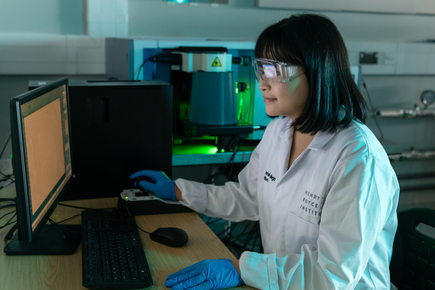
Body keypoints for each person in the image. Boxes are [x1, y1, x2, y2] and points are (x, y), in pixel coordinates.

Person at [130, 13, 400, 290]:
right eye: (261, 68)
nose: (262, 82)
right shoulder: (279, 131)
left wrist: (241, 268)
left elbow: (333, 275)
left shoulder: (358, 158)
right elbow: (248, 196)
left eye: (274, 70)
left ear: (317, 71)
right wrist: (178, 191)